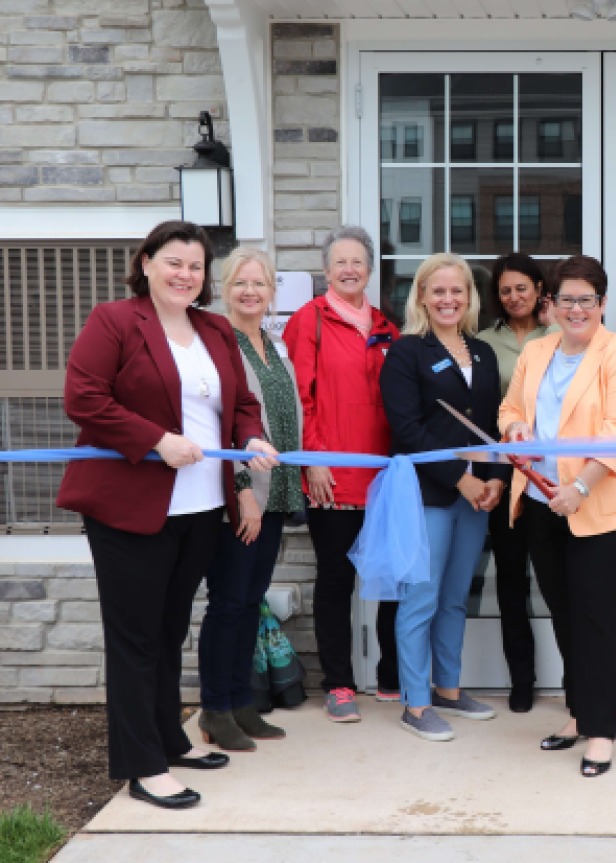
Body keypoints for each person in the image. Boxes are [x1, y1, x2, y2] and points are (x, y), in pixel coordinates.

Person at [57, 221, 278, 809]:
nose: (186, 275)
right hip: (132, 507)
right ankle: (142, 766)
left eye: (196, 267)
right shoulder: (114, 321)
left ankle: (168, 741)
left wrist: (252, 438)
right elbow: (84, 397)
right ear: (148, 263)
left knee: (169, 631)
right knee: (135, 640)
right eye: (174, 262)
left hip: (202, 507)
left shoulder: (213, 328)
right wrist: (157, 439)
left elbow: (243, 404)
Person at [499, 255, 616, 777]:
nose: (576, 308)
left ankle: (602, 732)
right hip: (543, 503)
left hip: (602, 509)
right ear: (552, 304)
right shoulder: (536, 350)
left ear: (603, 304)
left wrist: (581, 486)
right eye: (566, 299)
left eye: (587, 299)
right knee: (563, 616)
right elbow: (511, 409)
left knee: (596, 620)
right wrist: (517, 429)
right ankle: (577, 713)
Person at [380, 253, 508, 742]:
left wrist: (494, 477)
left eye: (457, 291)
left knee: (456, 597)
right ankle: (416, 705)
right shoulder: (406, 352)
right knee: (421, 599)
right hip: (431, 493)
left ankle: (449, 690)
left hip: (476, 496)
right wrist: (463, 478)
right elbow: (407, 429)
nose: (448, 299)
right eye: (438, 291)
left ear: (469, 298)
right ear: (422, 297)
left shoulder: (484, 353)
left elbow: (492, 424)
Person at [282, 225, 401, 723]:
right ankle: (340, 684)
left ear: (370, 269)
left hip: (385, 477)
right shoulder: (308, 322)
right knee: (336, 581)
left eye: (358, 261)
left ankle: (393, 676)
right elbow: (296, 400)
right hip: (332, 476)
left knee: (392, 581)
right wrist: (315, 460)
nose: (349, 269)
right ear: (326, 271)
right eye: (340, 262)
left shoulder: (389, 328)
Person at [197, 248, 306, 752]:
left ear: (271, 292)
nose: (250, 292)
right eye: (241, 283)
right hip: (240, 499)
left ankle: (243, 701)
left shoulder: (273, 343)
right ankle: (216, 709)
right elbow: (222, 424)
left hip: (277, 492)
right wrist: (243, 492)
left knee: (249, 604)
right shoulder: (218, 342)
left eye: (259, 284)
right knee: (229, 603)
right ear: (224, 288)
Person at [476, 253, 551, 713]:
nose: (514, 297)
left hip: (551, 477)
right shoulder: (483, 342)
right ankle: (521, 679)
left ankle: (580, 676)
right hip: (504, 474)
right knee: (510, 582)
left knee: (558, 579)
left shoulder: (563, 334)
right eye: (505, 290)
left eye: (522, 287)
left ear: (541, 289)